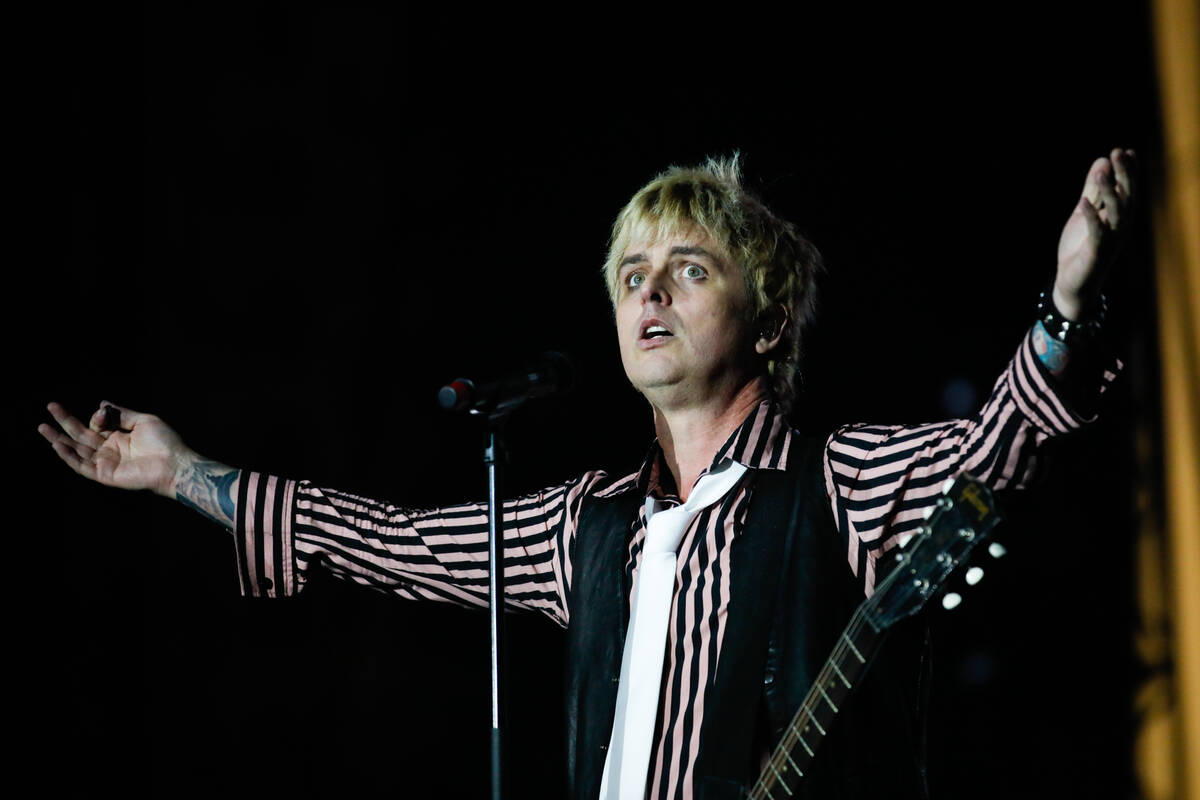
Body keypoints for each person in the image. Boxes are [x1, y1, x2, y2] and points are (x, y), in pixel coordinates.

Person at [40, 149, 1135, 800]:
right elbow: (393, 540)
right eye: (631, 275)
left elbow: (995, 448)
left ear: (768, 323)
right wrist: (186, 473)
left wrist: (1065, 308)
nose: (649, 293)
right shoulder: (588, 524)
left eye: (688, 269)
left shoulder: (830, 480)